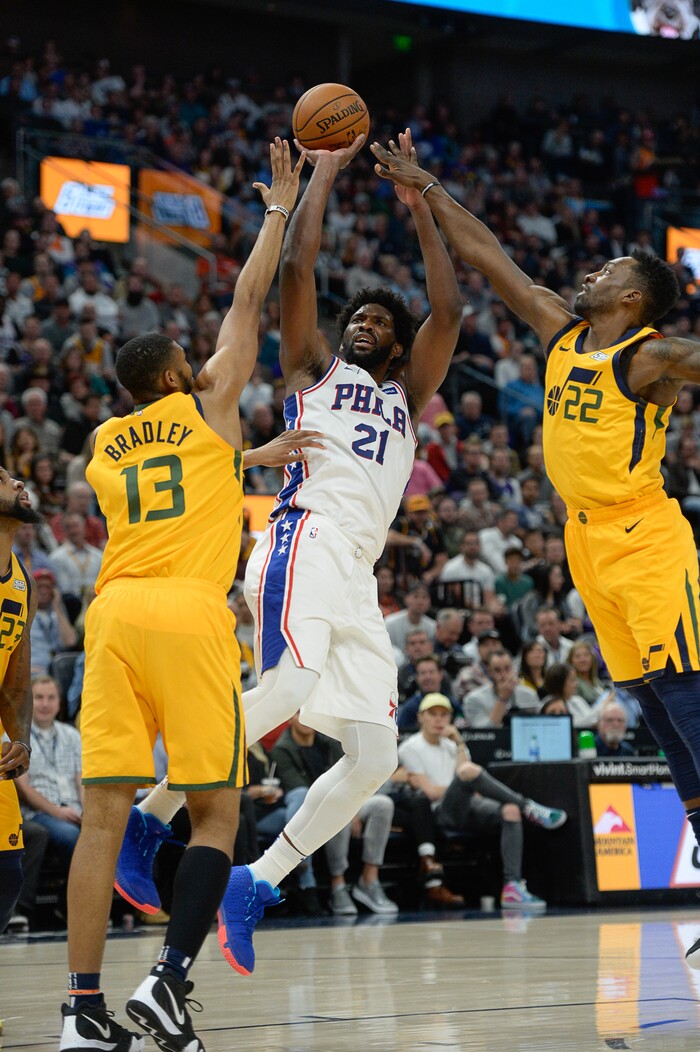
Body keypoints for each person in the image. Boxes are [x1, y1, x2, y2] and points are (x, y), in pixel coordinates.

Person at [123, 128, 462, 976]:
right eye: (358, 317)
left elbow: (450, 311)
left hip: (356, 574)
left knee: (377, 754)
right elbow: (300, 271)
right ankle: (150, 813)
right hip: (300, 533)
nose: (362, 325)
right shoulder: (314, 366)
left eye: (378, 321)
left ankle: (257, 881)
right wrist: (322, 175)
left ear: (395, 344)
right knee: (291, 685)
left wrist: (420, 208)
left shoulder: (409, 393)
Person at [371, 139, 700, 961]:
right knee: (656, 715)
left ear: (632, 295)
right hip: (586, 542)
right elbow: (491, 259)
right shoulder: (560, 330)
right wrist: (428, 189)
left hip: (647, 537)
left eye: (606, 271)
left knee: (689, 701)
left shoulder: (648, 355)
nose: (588, 275)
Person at [58, 140, 310, 1052]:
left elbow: (180, 480)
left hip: (114, 611)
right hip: (189, 613)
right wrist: (279, 207)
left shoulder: (101, 442)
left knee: (102, 815)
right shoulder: (208, 400)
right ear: (177, 377)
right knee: (216, 813)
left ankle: (82, 1014)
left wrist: (245, 459)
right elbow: (246, 301)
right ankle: (167, 984)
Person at [398, 694, 566, 910]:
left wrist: (459, 744)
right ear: (421, 717)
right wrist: (460, 783)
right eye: (433, 714)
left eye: (444, 715)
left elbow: (467, 779)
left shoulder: (452, 746)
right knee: (469, 772)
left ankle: (512, 887)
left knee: (510, 811)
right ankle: (529, 807)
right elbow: (431, 792)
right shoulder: (410, 748)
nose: (439, 720)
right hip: (439, 813)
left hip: (467, 805)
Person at [0, 467, 38, 935]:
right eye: (4, 479)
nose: (17, 483)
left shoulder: (21, 581)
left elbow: (16, 683)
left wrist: (22, 739)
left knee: (7, 878)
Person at [15, 676, 82, 867]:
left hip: (74, 809)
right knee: (74, 837)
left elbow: (81, 781)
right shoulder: (15, 737)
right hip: (39, 813)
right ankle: (78, 897)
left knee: (105, 836)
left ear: (59, 703)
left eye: (51, 698)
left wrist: (87, 813)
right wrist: (58, 812)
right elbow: (24, 790)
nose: (45, 704)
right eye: (39, 697)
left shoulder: (72, 735)